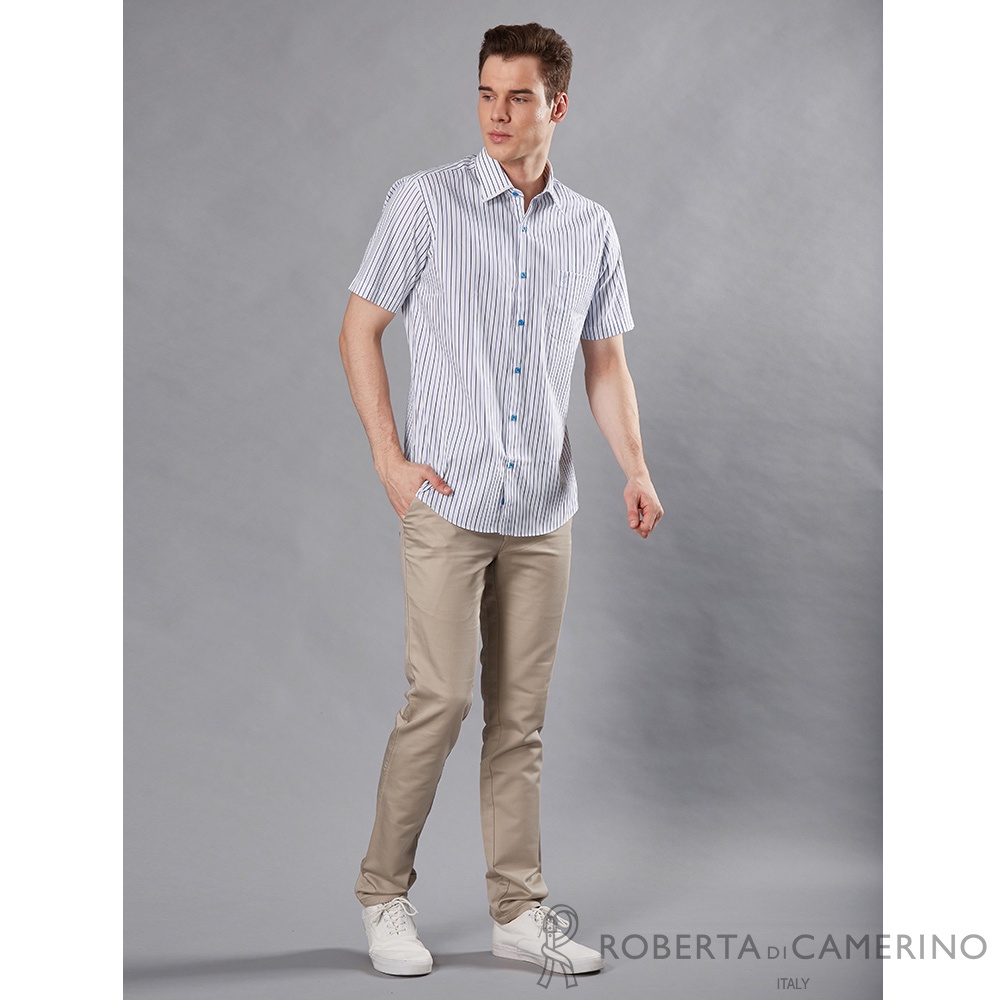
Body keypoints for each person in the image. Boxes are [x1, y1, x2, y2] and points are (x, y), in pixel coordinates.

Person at [339, 21, 663, 978]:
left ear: (557, 105)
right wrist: (389, 460)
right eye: (486, 93)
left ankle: (518, 911)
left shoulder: (590, 227)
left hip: (544, 512)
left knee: (519, 722)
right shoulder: (423, 204)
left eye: (518, 97)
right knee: (438, 701)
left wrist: (636, 468)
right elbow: (358, 328)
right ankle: (383, 896)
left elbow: (605, 363)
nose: (497, 113)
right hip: (447, 503)